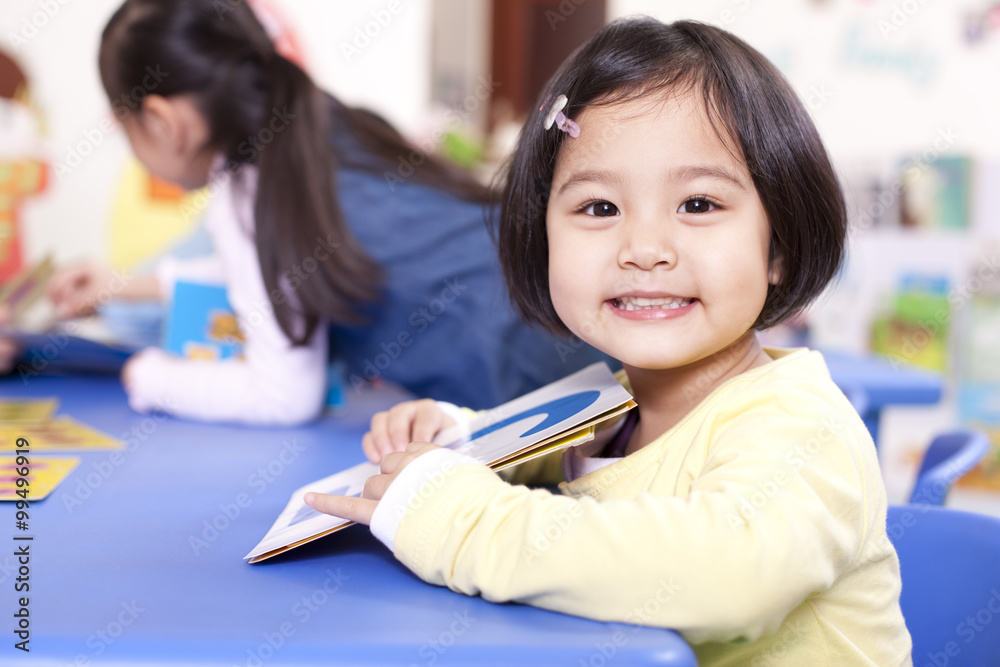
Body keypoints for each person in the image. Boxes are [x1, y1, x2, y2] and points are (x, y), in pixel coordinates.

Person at [304, 18, 912, 665]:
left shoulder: (802, 426)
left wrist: (461, 520)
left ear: (779, 246)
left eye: (699, 204)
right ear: (543, 242)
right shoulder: (615, 409)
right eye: (599, 208)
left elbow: (726, 570)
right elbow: (550, 452)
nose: (644, 249)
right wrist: (461, 435)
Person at [46, 0, 605, 425]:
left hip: (536, 399)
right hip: (588, 337)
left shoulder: (250, 198)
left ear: (164, 123)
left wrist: (147, 376)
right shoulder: (321, 127)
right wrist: (125, 286)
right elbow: (279, 274)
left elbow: (286, 396)